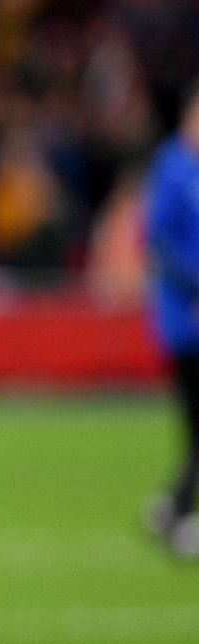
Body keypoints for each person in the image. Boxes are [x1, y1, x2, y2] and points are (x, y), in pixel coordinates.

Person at [143, 78, 199, 560]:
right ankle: (177, 513)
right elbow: (160, 240)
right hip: (186, 321)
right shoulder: (173, 168)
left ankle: (173, 508)